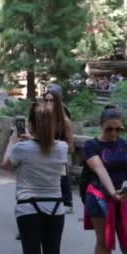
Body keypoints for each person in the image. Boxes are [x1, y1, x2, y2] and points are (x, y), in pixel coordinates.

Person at [2, 102, 69, 254]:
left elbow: (5, 165)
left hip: (28, 207)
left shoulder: (22, 148)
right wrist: (33, 139)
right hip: (55, 207)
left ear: (31, 125)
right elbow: (44, 147)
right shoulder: (62, 148)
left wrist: (12, 141)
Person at [84, 106, 127, 254]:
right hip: (101, 198)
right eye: (109, 129)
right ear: (101, 125)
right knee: (104, 243)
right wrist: (112, 192)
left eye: (118, 129)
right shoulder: (91, 145)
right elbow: (99, 169)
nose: (113, 133)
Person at [44, 84, 74, 214]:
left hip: (59, 152)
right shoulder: (43, 113)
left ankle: (68, 202)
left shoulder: (64, 118)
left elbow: (70, 142)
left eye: (52, 99)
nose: (49, 102)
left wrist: (64, 152)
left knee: (62, 177)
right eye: (47, 99)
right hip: (46, 151)